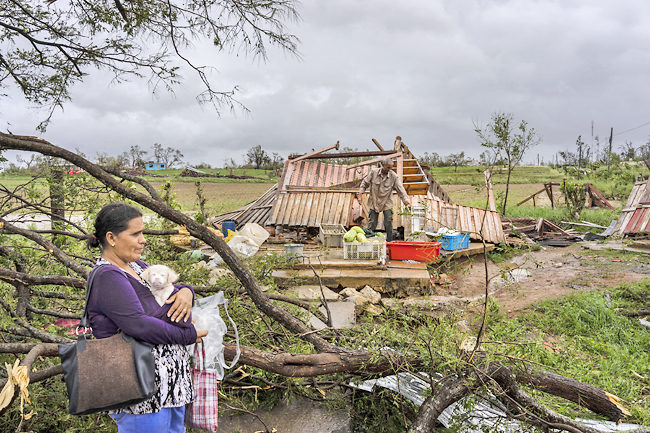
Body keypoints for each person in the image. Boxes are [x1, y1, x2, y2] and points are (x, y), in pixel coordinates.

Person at [86, 203, 208, 433]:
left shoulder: (136, 265)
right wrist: (189, 335)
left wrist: (186, 291)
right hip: (140, 392)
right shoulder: (108, 276)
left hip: (168, 386)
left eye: (143, 233)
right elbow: (140, 325)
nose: (143, 239)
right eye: (135, 234)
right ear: (111, 237)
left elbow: (168, 288)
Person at [358, 159, 411, 242]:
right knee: (372, 222)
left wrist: (406, 201)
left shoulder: (393, 176)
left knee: (388, 221)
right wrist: (360, 195)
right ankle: (368, 241)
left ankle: (389, 242)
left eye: (391, 168)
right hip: (374, 201)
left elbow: (400, 189)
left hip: (387, 201)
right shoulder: (373, 173)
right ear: (382, 164)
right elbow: (364, 183)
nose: (389, 169)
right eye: (388, 167)